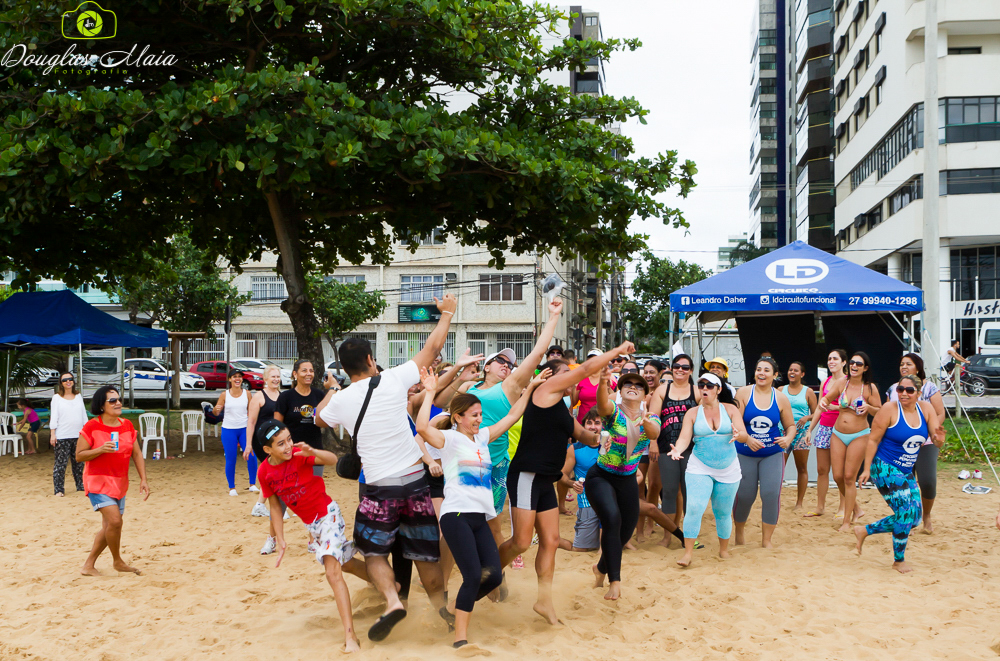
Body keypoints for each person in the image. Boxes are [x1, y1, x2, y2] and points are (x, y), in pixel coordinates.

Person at [315, 294, 458, 642]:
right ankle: (445, 615)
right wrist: (447, 313)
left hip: (379, 488)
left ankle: (393, 601)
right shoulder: (393, 379)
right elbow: (432, 348)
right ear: (369, 359)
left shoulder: (342, 400)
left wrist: (332, 389)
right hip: (415, 483)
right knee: (426, 556)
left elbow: (318, 418)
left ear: (345, 367)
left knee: (374, 553)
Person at [415, 366, 547, 648]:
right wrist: (429, 393)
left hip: (479, 517)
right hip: (456, 515)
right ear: (458, 417)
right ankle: (460, 638)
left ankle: (453, 609)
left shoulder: (482, 438)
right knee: (473, 575)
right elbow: (422, 428)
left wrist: (531, 387)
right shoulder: (449, 439)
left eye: (480, 415)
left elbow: (512, 416)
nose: (479, 419)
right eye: (474, 415)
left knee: (493, 575)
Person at [497, 342, 628, 624]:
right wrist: (617, 351)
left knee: (551, 540)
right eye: (564, 372)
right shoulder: (544, 392)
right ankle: (491, 573)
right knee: (521, 542)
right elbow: (585, 368)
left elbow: (584, 435)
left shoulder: (562, 409)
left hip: (546, 479)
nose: (571, 376)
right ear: (549, 376)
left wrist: (602, 439)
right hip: (527, 475)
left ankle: (544, 601)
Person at [458, 299, 563, 582]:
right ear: (486, 366)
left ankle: (495, 578)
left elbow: (538, 352)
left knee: (493, 524)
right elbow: (444, 407)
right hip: (464, 461)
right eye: (501, 361)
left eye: (510, 364)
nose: (507, 365)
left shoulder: (510, 387)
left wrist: (553, 316)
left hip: (495, 464)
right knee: (457, 521)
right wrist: (457, 373)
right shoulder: (468, 387)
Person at [254, 419, 370, 653]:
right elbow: (275, 506)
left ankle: (350, 637)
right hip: (313, 525)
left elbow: (332, 460)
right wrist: (280, 538)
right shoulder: (264, 472)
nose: (288, 446)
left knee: (332, 572)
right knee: (346, 564)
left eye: (289, 439)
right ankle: (388, 584)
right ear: (267, 450)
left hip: (328, 515)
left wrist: (313, 451)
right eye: (280, 443)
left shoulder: (299, 455)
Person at [588, 368, 681, 600]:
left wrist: (646, 422)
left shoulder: (651, 417)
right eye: (627, 384)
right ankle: (615, 582)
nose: (633, 386)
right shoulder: (613, 412)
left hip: (627, 479)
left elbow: (654, 433)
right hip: (601, 476)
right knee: (612, 519)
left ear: (645, 395)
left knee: (625, 531)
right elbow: (601, 405)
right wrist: (602, 384)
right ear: (620, 391)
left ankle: (600, 568)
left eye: (639, 385)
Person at [855, 374, 945, 574]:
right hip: (884, 467)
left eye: (909, 390)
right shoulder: (889, 409)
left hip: (905, 470)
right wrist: (867, 469)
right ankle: (898, 561)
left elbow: (936, 440)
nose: (903, 393)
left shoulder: (926, 409)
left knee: (915, 519)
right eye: (900, 389)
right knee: (905, 512)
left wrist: (939, 439)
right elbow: (873, 440)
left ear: (918, 393)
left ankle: (864, 530)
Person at [667, 373, 749, 568]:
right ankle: (688, 553)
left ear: (718, 389)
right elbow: (684, 437)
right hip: (700, 466)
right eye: (701, 385)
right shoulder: (693, 413)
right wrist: (678, 449)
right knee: (694, 508)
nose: (704, 388)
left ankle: (723, 550)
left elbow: (744, 435)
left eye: (709, 385)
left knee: (723, 511)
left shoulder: (730, 409)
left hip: (728, 467)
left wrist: (739, 435)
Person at [76, 385, 149, 576]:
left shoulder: (127, 425)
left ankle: (88, 565)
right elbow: (79, 455)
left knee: (110, 525)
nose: (118, 403)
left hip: (119, 482)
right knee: (115, 521)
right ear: (102, 405)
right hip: (97, 481)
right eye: (112, 400)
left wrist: (143, 479)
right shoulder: (92, 426)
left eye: (119, 399)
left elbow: (136, 454)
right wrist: (100, 449)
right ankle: (117, 561)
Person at [733, 357, 796, 548]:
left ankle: (766, 540)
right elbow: (734, 423)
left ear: (775, 375)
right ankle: (739, 533)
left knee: (770, 494)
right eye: (758, 369)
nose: (761, 373)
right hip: (745, 452)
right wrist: (746, 438)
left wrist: (788, 439)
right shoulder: (743, 393)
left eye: (766, 370)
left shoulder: (780, 397)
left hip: (772, 453)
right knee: (745, 495)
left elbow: (791, 426)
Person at [818, 351, 882, 532]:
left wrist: (868, 407)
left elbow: (880, 410)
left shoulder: (869, 388)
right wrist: (823, 402)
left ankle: (846, 521)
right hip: (838, 433)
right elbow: (826, 398)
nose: (854, 366)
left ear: (865, 368)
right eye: (853, 362)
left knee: (848, 477)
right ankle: (857, 509)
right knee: (837, 476)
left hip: (859, 435)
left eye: (859, 364)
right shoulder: (841, 383)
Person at [885, 353, 945, 534]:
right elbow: (886, 415)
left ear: (918, 368)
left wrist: (931, 432)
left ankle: (926, 515)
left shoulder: (929, 388)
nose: (904, 367)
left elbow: (940, 413)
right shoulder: (893, 389)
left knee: (927, 481)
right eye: (901, 364)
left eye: (908, 364)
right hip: (900, 444)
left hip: (926, 441)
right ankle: (908, 518)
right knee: (902, 483)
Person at [649, 354, 700, 547]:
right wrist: (653, 442)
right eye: (677, 366)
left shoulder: (696, 392)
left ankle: (690, 535)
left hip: (691, 449)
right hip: (666, 446)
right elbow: (653, 419)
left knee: (689, 492)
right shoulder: (663, 390)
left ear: (691, 371)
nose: (680, 370)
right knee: (669, 491)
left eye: (685, 367)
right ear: (671, 368)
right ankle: (668, 536)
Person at [247, 365, 292, 553]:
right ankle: (273, 506)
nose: (276, 379)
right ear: (265, 378)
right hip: (263, 443)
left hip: (279, 443)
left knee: (276, 474)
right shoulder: (259, 397)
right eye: (272, 376)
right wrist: (248, 444)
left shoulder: (283, 396)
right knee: (273, 473)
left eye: (278, 376)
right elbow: (251, 422)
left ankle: (261, 505)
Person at [804, 349, 848, 517]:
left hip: (841, 429)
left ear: (844, 362)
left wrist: (835, 407)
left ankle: (843, 508)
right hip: (824, 427)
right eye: (829, 359)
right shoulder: (825, 382)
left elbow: (853, 407)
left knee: (841, 472)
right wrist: (810, 429)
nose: (831, 362)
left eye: (835, 359)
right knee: (822, 469)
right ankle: (820, 507)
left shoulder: (848, 382)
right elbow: (819, 408)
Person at [558, 408, 603, 552]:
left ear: (603, 426)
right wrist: (573, 483)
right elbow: (562, 474)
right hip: (587, 504)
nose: (593, 427)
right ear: (583, 426)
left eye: (597, 423)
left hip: (610, 502)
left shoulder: (610, 446)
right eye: (589, 423)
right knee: (580, 549)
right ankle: (554, 540)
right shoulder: (574, 449)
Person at [212, 369, 258, 496]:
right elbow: (216, 412)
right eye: (234, 377)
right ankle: (232, 487)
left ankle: (252, 484)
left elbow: (251, 411)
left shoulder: (247, 394)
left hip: (244, 428)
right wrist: (216, 410)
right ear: (230, 379)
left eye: (239, 377)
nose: (237, 379)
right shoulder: (224, 395)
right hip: (228, 429)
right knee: (231, 458)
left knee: (251, 455)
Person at [781, 361, 817, 512]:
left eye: (796, 370)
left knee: (801, 468)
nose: (792, 372)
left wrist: (807, 417)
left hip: (801, 432)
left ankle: (799, 502)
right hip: (783, 431)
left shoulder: (808, 392)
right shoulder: (780, 390)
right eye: (790, 370)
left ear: (802, 374)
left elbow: (817, 413)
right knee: (778, 467)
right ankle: (776, 500)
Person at [50, 372, 88, 496]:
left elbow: (83, 415)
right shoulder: (57, 398)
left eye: (70, 379)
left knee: (79, 463)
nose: (68, 381)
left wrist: (87, 431)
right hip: (62, 435)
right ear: (61, 383)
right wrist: (52, 433)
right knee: (61, 464)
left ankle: (80, 486)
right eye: (64, 380)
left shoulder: (78, 396)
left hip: (78, 435)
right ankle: (59, 489)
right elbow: (54, 416)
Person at [572, 348, 605, 422]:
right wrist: (574, 386)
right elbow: (573, 403)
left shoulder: (607, 379)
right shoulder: (581, 379)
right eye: (590, 360)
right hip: (583, 422)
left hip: (602, 422)